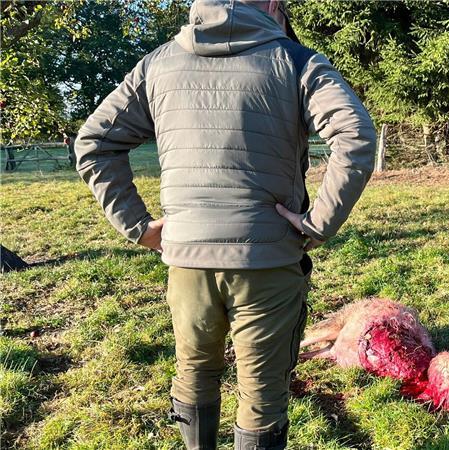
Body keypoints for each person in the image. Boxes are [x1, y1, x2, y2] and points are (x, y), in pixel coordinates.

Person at [74, 0, 376, 448]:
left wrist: (137, 226)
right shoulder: (297, 61)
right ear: (272, 4)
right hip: (267, 259)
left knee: (194, 370)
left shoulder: (157, 63)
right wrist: (317, 224)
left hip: (186, 258)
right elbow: (355, 136)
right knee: (262, 393)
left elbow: (94, 142)